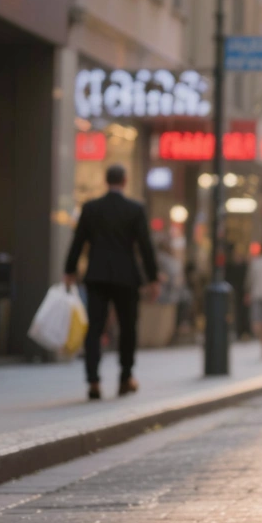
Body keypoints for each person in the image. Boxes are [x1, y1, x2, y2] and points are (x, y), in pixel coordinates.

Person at [63, 164, 161, 401]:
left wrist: (70, 270)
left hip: (97, 275)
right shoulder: (135, 209)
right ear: (125, 181)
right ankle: (126, 377)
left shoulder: (91, 208)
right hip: (126, 276)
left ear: (106, 181)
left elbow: (78, 242)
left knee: (94, 327)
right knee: (128, 327)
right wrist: (153, 278)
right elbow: (146, 246)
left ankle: (93, 381)